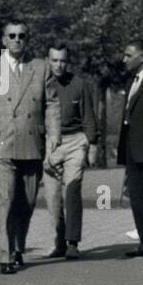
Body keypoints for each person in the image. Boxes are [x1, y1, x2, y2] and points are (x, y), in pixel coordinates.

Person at [0, 19, 60, 274]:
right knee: (5, 200)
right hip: (2, 143)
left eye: (22, 36)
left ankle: (18, 247)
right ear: (4, 40)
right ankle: (5, 256)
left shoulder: (41, 68)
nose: (17, 40)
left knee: (26, 203)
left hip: (32, 143)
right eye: (12, 36)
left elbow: (51, 104)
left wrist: (54, 136)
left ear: (28, 39)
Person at [43, 44, 98, 258]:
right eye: (55, 60)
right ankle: (59, 241)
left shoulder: (78, 84)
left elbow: (89, 116)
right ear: (48, 60)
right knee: (52, 196)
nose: (59, 65)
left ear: (68, 62)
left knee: (72, 192)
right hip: (51, 143)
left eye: (63, 61)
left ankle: (72, 242)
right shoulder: (42, 84)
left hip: (76, 140)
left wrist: (92, 143)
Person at [116, 39, 143, 260]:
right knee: (137, 197)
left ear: (141, 57)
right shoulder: (132, 80)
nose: (124, 59)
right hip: (132, 148)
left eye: (128, 55)